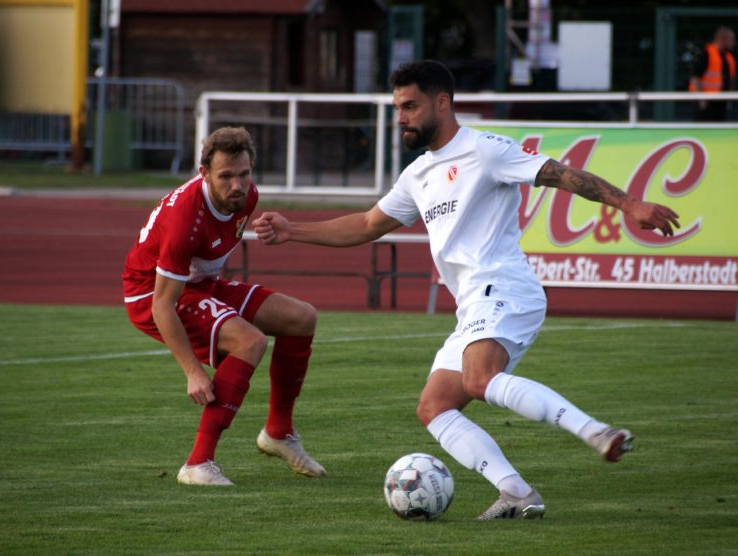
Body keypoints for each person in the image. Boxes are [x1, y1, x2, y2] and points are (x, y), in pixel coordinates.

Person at [252, 60, 681, 519]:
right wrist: (292, 229)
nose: (402, 117)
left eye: (411, 106)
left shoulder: (485, 150)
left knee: (478, 381)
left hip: (504, 287)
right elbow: (366, 225)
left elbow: (561, 175)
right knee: (434, 407)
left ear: (442, 102)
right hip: (474, 302)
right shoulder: (418, 174)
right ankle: (516, 492)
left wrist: (630, 203)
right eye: (398, 107)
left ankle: (597, 432)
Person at [122, 126, 326, 486]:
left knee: (301, 317)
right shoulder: (184, 218)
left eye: (244, 174)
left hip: (200, 284)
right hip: (151, 295)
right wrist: (192, 371)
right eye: (226, 176)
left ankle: (278, 433)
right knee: (249, 341)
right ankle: (198, 463)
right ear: (203, 174)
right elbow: (161, 305)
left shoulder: (247, 199)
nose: (237, 185)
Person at [689, 26, 736, 121]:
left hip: (721, 102)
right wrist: (701, 97)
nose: (733, 43)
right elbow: (695, 77)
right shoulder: (707, 54)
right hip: (706, 102)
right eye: (731, 40)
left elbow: (730, 79)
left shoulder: (729, 58)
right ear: (723, 39)